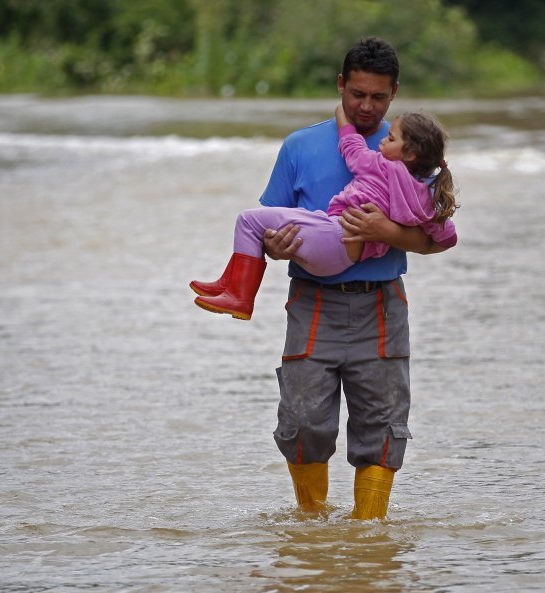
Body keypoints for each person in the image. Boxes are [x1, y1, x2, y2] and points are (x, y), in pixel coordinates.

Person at [229, 37, 456, 520]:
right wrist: (275, 247)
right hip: (312, 300)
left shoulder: (413, 148)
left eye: (378, 97)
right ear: (340, 85)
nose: (366, 106)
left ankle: (367, 537)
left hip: (382, 304)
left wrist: (385, 230)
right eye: (356, 94)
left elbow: (436, 238)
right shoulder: (299, 146)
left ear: (394, 92)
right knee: (303, 421)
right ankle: (314, 530)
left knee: (383, 424)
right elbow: (269, 228)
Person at [189, 103, 457, 320]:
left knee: (248, 221)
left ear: (409, 154)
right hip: (344, 254)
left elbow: (351, 146)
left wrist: (342, 115)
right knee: (286, 221)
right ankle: (231, 282)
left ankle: (240, 295)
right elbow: (447, 237)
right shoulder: (424, 195)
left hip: (332, 238)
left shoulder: (381, 165)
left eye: (390, 139)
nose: (381, 143)